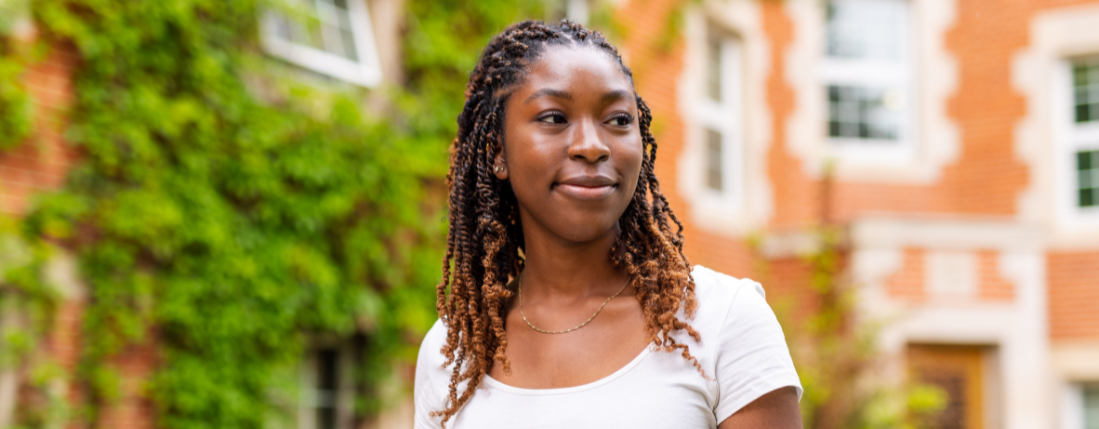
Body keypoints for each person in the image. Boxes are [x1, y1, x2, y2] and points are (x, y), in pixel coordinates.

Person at [414, 20, 802, 429]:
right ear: (497, 152)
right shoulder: (451, 353)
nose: (592, 145)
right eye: (554, 117)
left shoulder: (722, 321)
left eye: (617, 120)